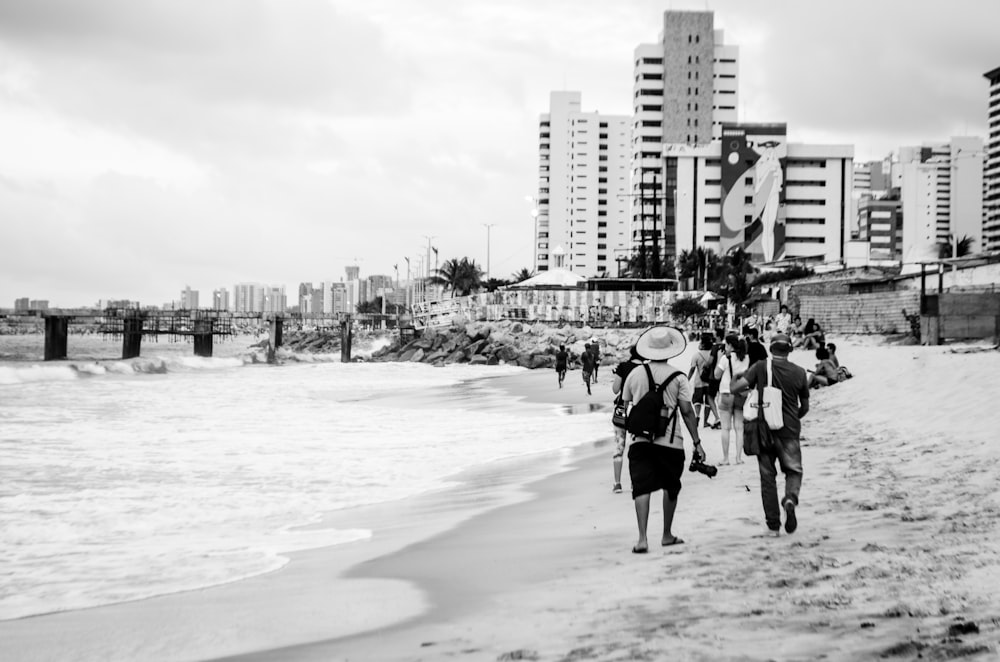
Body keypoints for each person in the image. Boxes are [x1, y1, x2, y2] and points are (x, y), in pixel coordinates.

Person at [621, 326, 705, 553]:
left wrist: (621, 439)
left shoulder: (634, 374)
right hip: (671, 442)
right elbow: (687, 412)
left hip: (640, 441)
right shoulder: (678, 377)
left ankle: (642, 539)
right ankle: (667, 534)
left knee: (641, 487)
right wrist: (697, 442)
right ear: (670, 350)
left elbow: (624, 406)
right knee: (671, 486)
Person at [731, 333, 810, 536]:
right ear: (790, 350)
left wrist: (735, 378)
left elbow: (736, 389)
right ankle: (790, 498)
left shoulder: (760, 367)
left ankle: (773, 526)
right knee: (793, 470)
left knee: (767, 478)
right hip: (789, 430)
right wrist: (793, 418)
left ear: (771, 348)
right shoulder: (800, 373)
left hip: (763, 429)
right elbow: (805, 407)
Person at [611, 345, 644, 494]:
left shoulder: (623, 367)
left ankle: (617, 483)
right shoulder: (646, 369)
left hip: (622, 408)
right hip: (639, 409)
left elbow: (615, 389)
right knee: (636, 446)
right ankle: (634, 482)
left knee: (619, 445)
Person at [715, 334, 749, 465]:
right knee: (739, 428)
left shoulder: (725, 358)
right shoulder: (746, 358)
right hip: (740, 393)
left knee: (725, 428)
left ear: (730, 345)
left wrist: (720, 358)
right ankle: (739, 458)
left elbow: (716, 375)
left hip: (726, 393)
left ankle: (725, 458)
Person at [687, 333, 720, 430]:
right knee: (708, 402)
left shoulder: (696, 355)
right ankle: (705, 422)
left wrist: (687, 379)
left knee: (697, 400)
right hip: (709, 380)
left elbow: (692, 369)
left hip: (698, 381)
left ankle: (697, 416)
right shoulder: (713, 354)